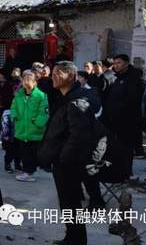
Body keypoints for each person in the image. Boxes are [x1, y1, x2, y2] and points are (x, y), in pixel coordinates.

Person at [39, 61, 102, 245]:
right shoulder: (63, 96)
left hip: (70, 162)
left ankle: (77, 240)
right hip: (64, 159)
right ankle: (73, 237)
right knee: (68, 203)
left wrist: (63, 157)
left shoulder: (77, 100)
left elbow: (78, 135)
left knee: (71, 203)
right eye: (54, 73)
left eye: (60, 73)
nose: (54, 76)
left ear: (72, 77)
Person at [102, 54, 143, 180]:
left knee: (126, 148)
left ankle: (126, 172)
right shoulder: (115, 77)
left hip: (127, 120)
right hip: (113, 120)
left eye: (119, 63)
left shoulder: (133, 78)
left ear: (126, 63)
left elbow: (132, 99)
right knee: (115, 147)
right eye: (115, 63)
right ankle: (117, 170)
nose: (116, 65)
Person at [11, 70, 49, 182]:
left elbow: (44, 112)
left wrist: (37, 123)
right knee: (24, 152)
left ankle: (29, 172)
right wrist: (14, 117)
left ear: (34, 82)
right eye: (24, 80)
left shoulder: (41, 96)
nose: (26, 83)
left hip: (35, 129)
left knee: (33, 152)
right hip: (22, 128)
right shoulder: (18, 95)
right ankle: (28, 172)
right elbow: (13, 108)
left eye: (29, 80)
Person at [0, 108, 22, 173]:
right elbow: (5, 125)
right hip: (10, 136)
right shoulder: (7, 113)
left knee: (18, 151)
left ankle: (17, 165)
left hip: (19, 135)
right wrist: (5, 136)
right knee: (10, 151)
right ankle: (7, 165)